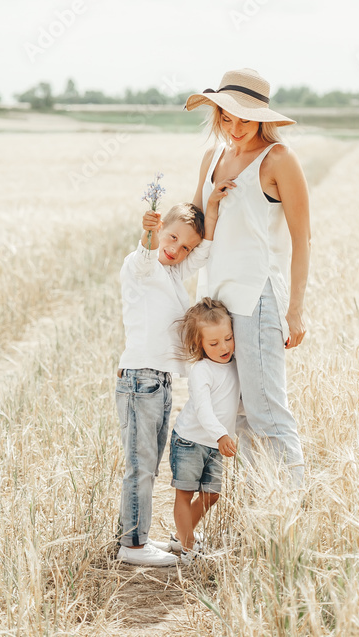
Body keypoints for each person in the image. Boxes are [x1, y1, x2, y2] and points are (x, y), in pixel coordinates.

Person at [183, 68, 311, 486]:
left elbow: (302, 238)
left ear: (263, 119)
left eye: (244, 119)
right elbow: (198, 226)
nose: (234, 128)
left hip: (257, 299)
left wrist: (295, 311)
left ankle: (291, 514)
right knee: (234, 415)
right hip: (215, 305)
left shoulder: (278, 160)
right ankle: (261, 510)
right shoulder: (213, 158)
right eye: (226, 117)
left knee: (266, 412)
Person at [115, 200, 221, 566]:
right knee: (140, 465)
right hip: (141, 380)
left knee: (149, 465)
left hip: (158, 382)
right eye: (172, 238)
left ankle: (138, 536)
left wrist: (216, 203)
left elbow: (202, 252)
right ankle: (131, 545)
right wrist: (148, 231)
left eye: (185, 246)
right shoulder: (140, 266)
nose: (177, 250)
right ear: (160, 230)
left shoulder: (174, 273)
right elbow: (147, 254)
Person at [168, 298, 240, 565]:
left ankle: (180, 536)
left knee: (212, 495)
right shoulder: (201, 370)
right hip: (190, 441)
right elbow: (203, 409)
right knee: (185, 493)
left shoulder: (234, 364)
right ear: (199, 345)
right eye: (213, 343)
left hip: (214, 443)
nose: (224, 347)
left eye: (228, 338)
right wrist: (222, 435)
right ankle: (188, 548)